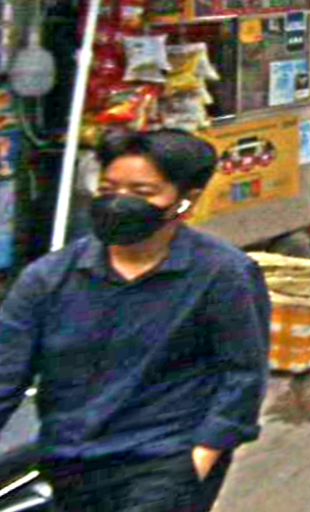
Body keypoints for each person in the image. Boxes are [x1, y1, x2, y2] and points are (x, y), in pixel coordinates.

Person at [0, 129, 271, 511]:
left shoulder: (222, 275)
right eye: (108, 189)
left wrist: (199, 459)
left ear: (186, 201)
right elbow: (6, 375)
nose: (119, 202)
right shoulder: (48, 279)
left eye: (142, 192)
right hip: (70, 462)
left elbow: (242, 374)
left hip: (164, 464)